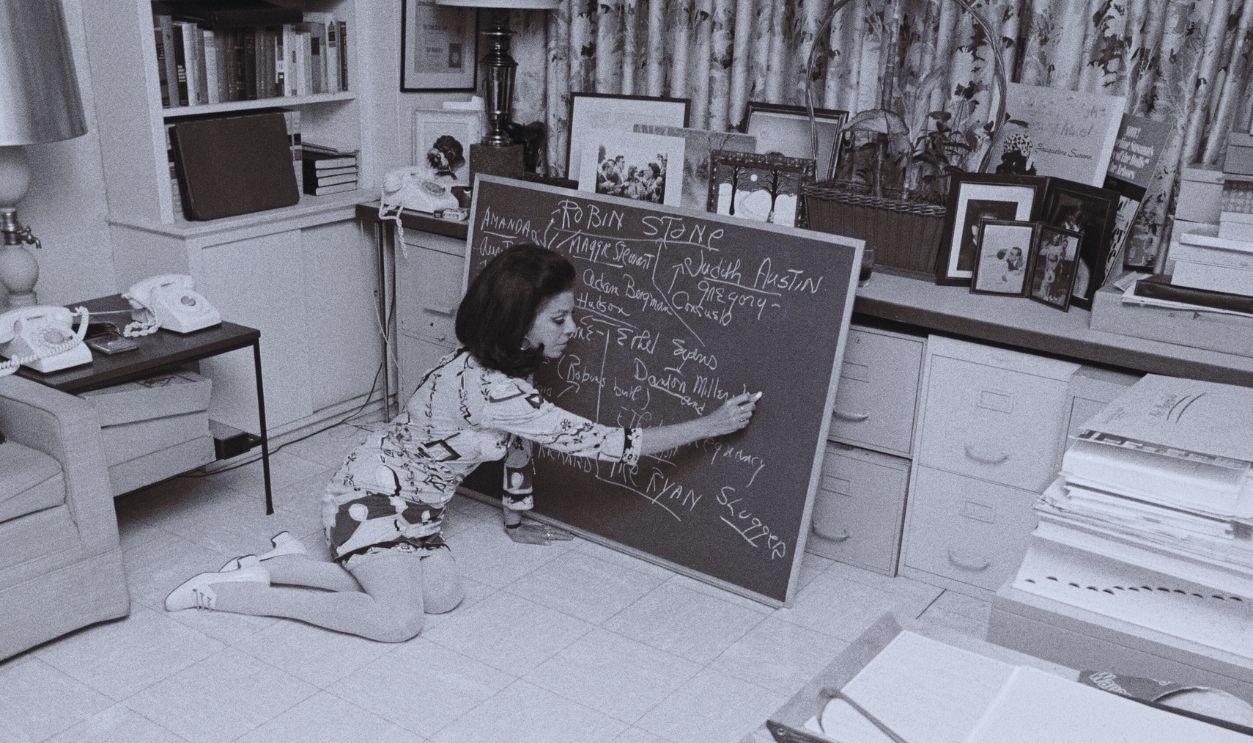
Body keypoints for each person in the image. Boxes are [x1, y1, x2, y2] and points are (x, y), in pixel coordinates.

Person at [165, 244, 760, 642]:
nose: (572, 330)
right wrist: (707, 425)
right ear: (516, 321)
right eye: (559, 320)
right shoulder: (492, 390)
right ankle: (230, 593)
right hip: (366, 499)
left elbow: (521, 442)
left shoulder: (505, 374)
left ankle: (278, 565)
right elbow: (600, 442)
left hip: (418, 514)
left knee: (443, 597)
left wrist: (517, 512)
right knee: (400, 621)